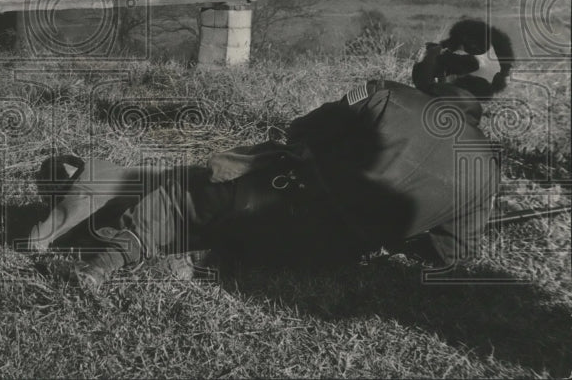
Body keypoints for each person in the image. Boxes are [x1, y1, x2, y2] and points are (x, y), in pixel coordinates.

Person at [36, 18, 514, 291]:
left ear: (450, 65)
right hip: (321, 257)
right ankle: (165, 234)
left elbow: (301, 129)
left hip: (273, 203)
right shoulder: (488, 172)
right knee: (215, 223)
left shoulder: (386, 95)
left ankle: (103, 259)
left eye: (436, 48)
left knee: (187, 194)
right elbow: (449, 254)